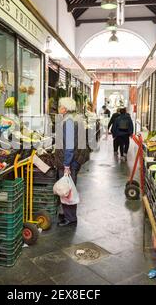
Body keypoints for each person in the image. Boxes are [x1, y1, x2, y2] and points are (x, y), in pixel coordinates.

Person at [54, 97, 89, 227]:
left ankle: (70, 217)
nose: (58, 108)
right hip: (75, 159)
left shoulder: (68, 122)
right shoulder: (76, 118)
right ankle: (68, 213)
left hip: (69, 161)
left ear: (65, 108)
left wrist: (66, 164)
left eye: (59, 106)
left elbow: (69, 146)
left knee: (67, 189)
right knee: (69, 187)